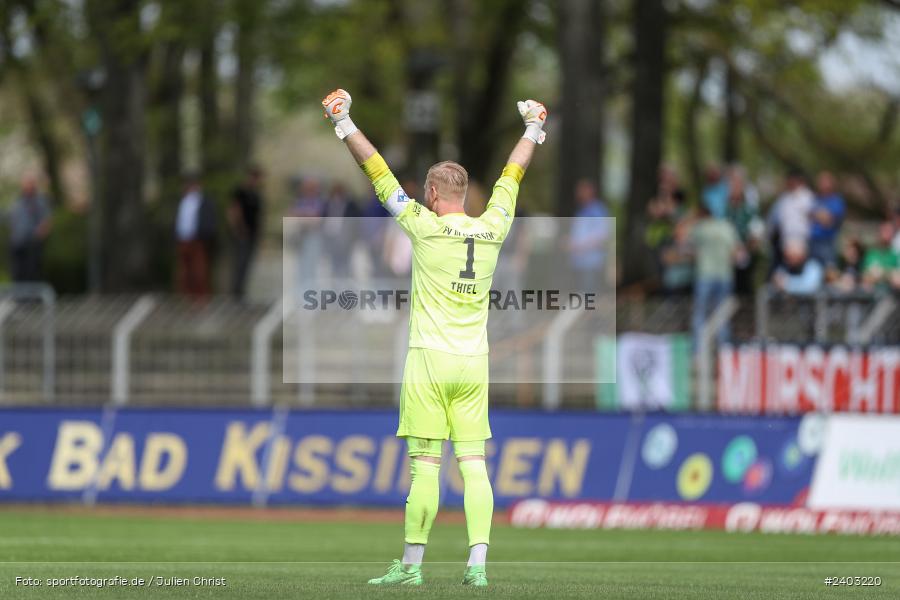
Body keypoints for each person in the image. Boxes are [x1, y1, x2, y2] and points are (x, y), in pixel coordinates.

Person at [322, 88, 546, 587]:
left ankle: (411, 567)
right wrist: (533, 128)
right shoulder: (495, 225)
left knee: (425, 467)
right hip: (474, 363)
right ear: (464, 194)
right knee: (475, 467)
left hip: (429, 361)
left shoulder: (422, 226)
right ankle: (478, 567)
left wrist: (344, 122)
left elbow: (378, 173)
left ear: (431, 194)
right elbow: (513, 174)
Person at [690, 205, 742, 349]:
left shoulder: (700, 228)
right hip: (725, 276)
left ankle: (698, 350)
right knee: (722, 315)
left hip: (705, 276)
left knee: (700, 314)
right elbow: (736, 252)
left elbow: (684, 242)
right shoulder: (727, 227)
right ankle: (723, 349)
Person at [175, 174, 217, 302]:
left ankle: (201, 298)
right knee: (184, 270)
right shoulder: (183, 201)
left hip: (198, 240)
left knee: (199, 269)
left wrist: (204, 235)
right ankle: (185, 297)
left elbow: (209, 220)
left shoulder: (204, 201)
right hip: (183, 239)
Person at [767, 169, 814, 272]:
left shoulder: (807, 197)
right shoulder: (784, 199)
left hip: (800, 240)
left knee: (799, 270)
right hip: (785, 240)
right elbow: (774, 219)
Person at [228, 166, 264, 300]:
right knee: (240, 261)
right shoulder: (240, 192)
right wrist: (238, 229)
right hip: (242, 233)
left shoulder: (256, 194)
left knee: (247, 263)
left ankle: (241, 291)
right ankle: (235, 292)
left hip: (253, 233)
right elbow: (233, 210)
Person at [566, 179, 609, 292]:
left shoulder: (598, 210)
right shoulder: (581, 210)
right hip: (578, 261)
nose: (578, 194)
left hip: (591, 262)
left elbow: (601, 236)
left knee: (587, 295)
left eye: (582, 190)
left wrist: (579, 246)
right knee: (580, 294)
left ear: (590, 192)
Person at [8, 175, 52, 282]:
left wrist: (39, 236)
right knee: (17, 271)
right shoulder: (18, 202)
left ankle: (32, 291)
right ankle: (19, 291)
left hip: (32, 242)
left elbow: (46, 221)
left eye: (30, 184)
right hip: (17, 241)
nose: (28, 187)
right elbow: (13, 219)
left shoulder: (40, 201)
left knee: (32, 271)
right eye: (26, 184)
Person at [809, 171, 845, 268]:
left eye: (825, 182)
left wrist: (816, 215)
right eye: (821, 182)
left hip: (827, 242)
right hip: (812, 241)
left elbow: (829, 220)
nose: (822, 184)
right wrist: (820, 215)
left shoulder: (836, 201)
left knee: (830, 269)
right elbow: (808, 215)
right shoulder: (815, 199)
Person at [861, 222, 900, 292]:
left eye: (890, 232)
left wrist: (882, 273)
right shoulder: (871, 253)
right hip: (872, 292)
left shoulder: (896, 255)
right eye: (885, 231)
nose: (887, 235)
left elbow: (897, 277)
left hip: (891, 292)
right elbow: (866, 275)